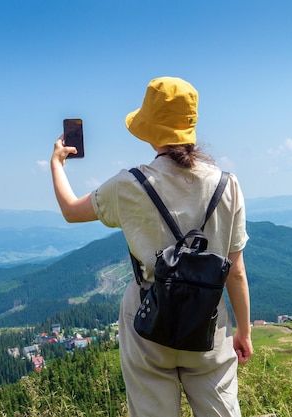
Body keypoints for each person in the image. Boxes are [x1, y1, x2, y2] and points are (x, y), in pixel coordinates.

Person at [50, 76, 253, 417]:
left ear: (149, 128)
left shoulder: (128, 185)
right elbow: (236, 272)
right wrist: (244, 331)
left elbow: (72, 210)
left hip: (147, 318)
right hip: (208, 322)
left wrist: (56, 163)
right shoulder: (227, 185)